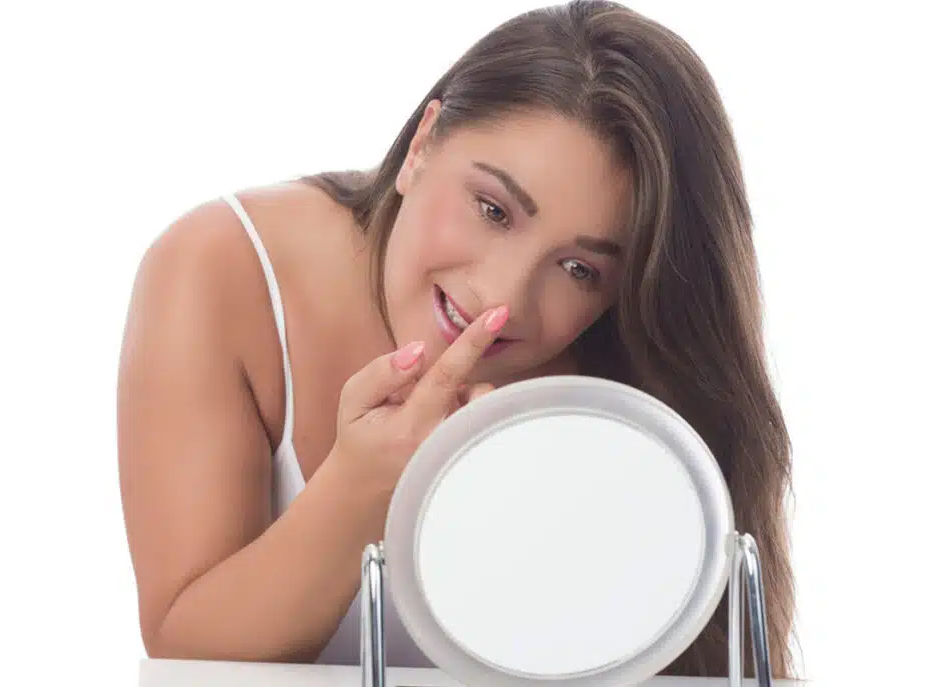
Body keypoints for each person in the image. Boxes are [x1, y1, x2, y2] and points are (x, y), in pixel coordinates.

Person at [117, 0, 796, 678]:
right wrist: (360, 488)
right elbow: (184, 649)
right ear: (422, 145)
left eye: (579, 269)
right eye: (494, 209)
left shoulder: (621, 382)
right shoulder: (222, 269)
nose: (502, 297)